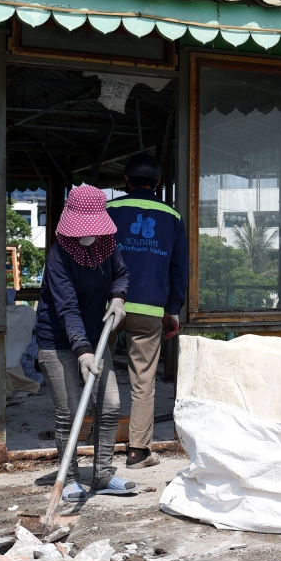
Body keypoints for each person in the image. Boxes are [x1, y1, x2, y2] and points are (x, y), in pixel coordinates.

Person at [35, 185, 134, 501]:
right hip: (59, 341)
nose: (88, 235)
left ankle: (103, 475)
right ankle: (71, 479)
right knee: (69, 409)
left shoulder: (108, 245)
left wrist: (118, 298)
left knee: (110, 405)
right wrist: (82, 352)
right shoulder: (59, 255)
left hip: (95, 336)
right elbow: (67, 308)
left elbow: (121, 275)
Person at [106, 155, 188, 469]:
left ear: (126, 180)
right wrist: (173, 310)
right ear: (157, 183)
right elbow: (179, 270)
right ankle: (138, 452)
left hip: (111, 304)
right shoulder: (172, 216)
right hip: (152, 308)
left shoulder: (111, 210)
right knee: (143, 379)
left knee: (97, 369)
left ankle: (98, 440)